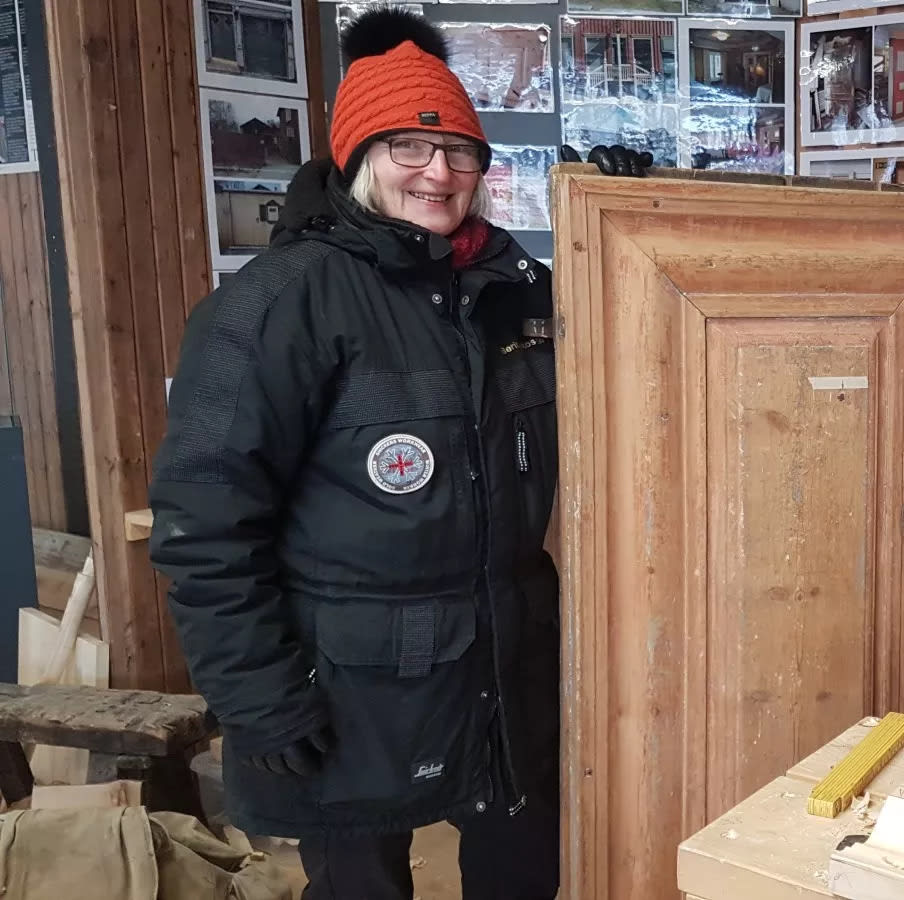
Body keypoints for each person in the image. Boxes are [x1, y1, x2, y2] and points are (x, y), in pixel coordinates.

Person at [148, 9, 560, 898]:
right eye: (409, 146)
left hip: (509, 673)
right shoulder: (276, 305)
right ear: (360, 158)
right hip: (347, 689)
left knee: (526, 877)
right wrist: (258, 697)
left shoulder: (522, 294)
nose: (438, 171)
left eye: (460, 151)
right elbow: (205, 525)